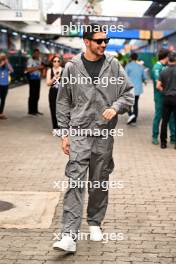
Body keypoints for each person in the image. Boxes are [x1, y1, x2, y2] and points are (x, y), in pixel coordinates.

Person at [53, 24, 134, 252]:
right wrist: (64, 133)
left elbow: (128, 93)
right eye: (99, 41)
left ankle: (95, 222)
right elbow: (63, 101)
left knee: (99, 180)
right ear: (86, 41)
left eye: (105, 40)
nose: (104, 44)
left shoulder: (114, 65)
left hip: (103, 133)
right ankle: (69, 235)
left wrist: (116, 107)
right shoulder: (72, 67)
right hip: (79, 132)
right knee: (75, 181)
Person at [151, 49, 175, 145]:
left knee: (172, 117)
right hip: (160, 96)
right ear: (166, 57)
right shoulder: (157, 67)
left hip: (167, 96)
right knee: (159, 116)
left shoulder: (166, 67)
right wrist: (167, 92)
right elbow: (158, 84)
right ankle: (155, 136)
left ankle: (173, 137)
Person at [125, 53, 147, 125]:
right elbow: (144, 77)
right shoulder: (140, 67)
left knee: (128, 104)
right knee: (135, 104)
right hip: (137, 89)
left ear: (131, 58)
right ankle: (134, 120)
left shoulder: (128, 66)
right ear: (137, 58)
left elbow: (124, 76)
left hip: (129, 89)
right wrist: (144, 81)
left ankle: (131, 115)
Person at [46, 55, 62, 135]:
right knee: (53, 110)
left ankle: (61, 128)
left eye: (58, 61)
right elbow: (48, 83)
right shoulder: (50, 71)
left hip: (62, 93)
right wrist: (54, 78)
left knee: (61, 111)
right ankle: (55, 128)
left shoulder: (63, 70)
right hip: (53, 92)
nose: (56, 63)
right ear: (52, 62)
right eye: (55, 61)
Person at [26, 49, 44, 116]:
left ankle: (36, 110)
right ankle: (31, 111)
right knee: (32, 95)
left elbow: (41, 68)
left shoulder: (39, 60)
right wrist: (38, 67)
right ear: (33, 54)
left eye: (38, 53)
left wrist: (41, 72)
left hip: (38, 79)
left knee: (37, 95)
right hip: (32, 79)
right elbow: (28, 69)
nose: (37, 55)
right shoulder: (30, 60)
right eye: (36, 53)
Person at [0, 54, 13, 120]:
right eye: (2, 57)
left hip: (5, 84)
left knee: (3, 99)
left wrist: (7, 63)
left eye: (4, 57)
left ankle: (1, 113)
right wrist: (1, 64)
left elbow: (11, 70)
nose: (3, 58)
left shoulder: (7, 65)